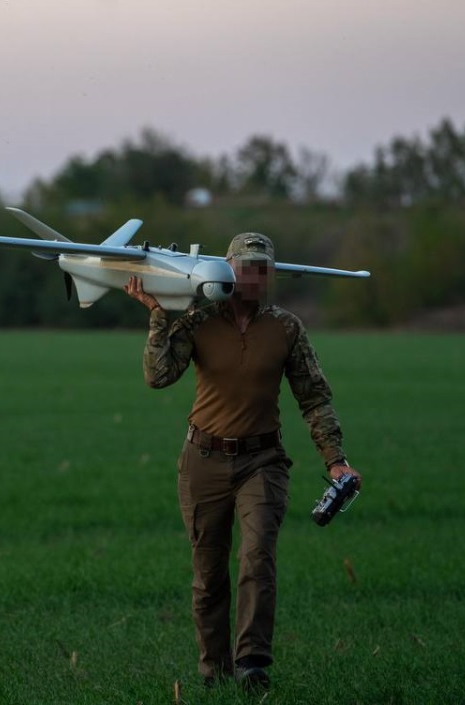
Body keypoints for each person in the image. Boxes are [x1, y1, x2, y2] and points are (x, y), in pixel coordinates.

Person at [123, 232, 361, 691]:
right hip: (203, 461)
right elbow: (158, 376)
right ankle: (214, 671)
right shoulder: (199, 320)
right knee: (208, 574)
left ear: (270, 274)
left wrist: (336, 461)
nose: (254, 275)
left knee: (257, 556)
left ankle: (252, 664)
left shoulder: (287, 328)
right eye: (246, 266)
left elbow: (315, 399)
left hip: (263, 461)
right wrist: (157, 316)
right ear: (229, 269)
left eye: (262, 268)